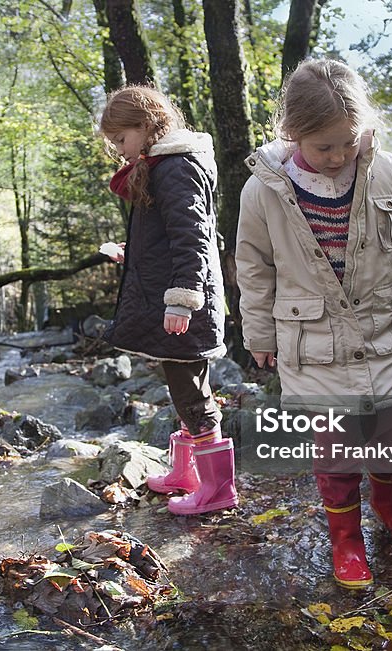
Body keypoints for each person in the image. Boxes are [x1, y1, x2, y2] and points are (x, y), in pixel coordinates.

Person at [235, 58, 392, 587]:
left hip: (383, 333)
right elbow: (253, 269)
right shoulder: (264, 191)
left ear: (364, 129)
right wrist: (260, 335)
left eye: (347, 143)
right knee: (335, 452)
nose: (336, 157)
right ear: (292, 135)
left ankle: (388, 503)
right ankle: (346, 538)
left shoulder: (391, 173)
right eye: (322, 147)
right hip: (312, 344)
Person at [98, 86, 236, 516]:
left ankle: (217, 490)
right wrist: (133, 250)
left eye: (122, 140)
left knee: (191, 390)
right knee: (181, 386)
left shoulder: (175, 167)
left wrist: (182, 300)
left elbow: (192, 237)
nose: (120, 151)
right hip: (176, 296)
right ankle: (186, 473)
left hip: (184, 302)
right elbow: (170, 232)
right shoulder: (163, 164)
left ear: (146, 125)